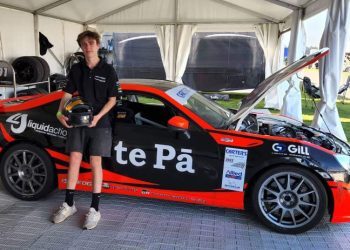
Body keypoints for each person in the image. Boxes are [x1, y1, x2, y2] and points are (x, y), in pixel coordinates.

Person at [52, 30, 118, 230]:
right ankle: (69, 204)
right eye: (84, 44)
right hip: (78, 121)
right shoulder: (76, 69)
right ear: (81, 47)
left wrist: (98, 117)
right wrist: (59, 113)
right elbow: (66, 94)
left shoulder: (108, 70)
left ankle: (94, 209)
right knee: (74, 159)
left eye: (91, 43)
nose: (88, 47)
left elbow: (112, 100)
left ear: (98, 45)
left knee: (96, 163)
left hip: (100, 123)